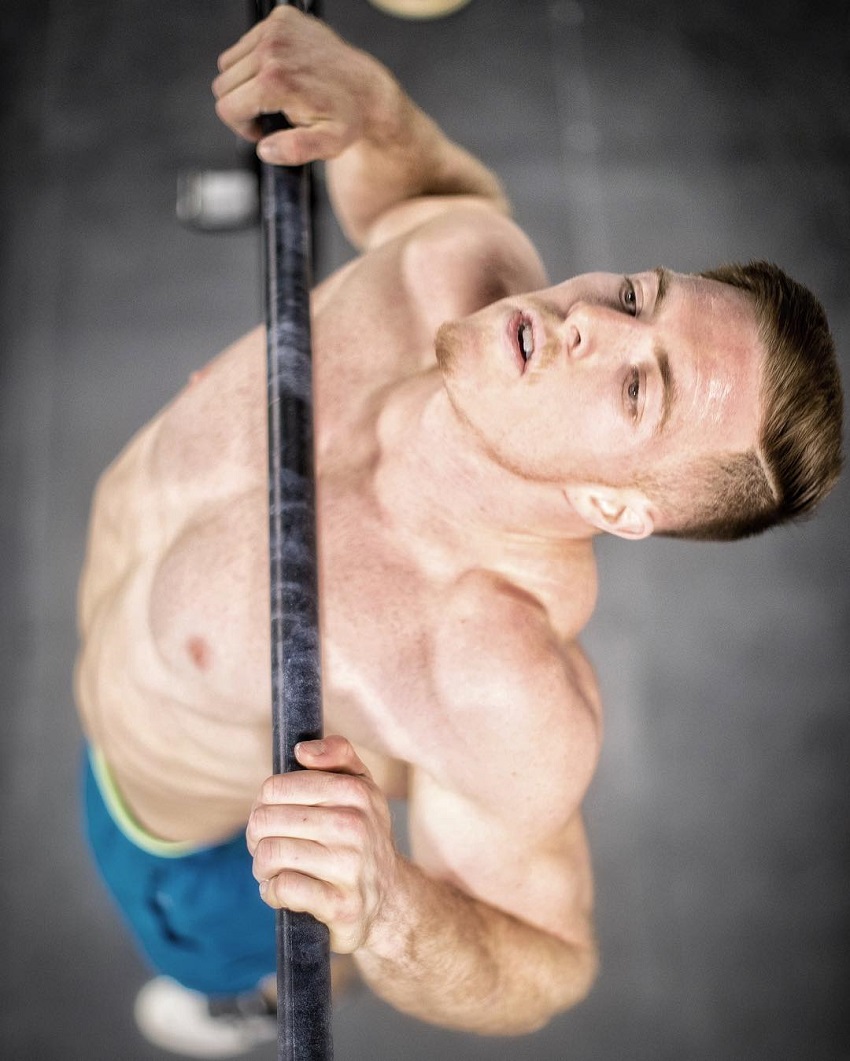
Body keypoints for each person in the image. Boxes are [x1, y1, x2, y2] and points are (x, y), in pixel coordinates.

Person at [74, 6, 843, 1057]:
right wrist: (374, 107)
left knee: (274, 930)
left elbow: (550, 959)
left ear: (616, 506)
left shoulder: (499, 687)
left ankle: (256, 991)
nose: (588, 319)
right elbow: (431, 194)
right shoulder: (463, 262)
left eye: (636, 386)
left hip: (177, 847)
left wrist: (382, 904)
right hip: (121, 639)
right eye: (636, 296)